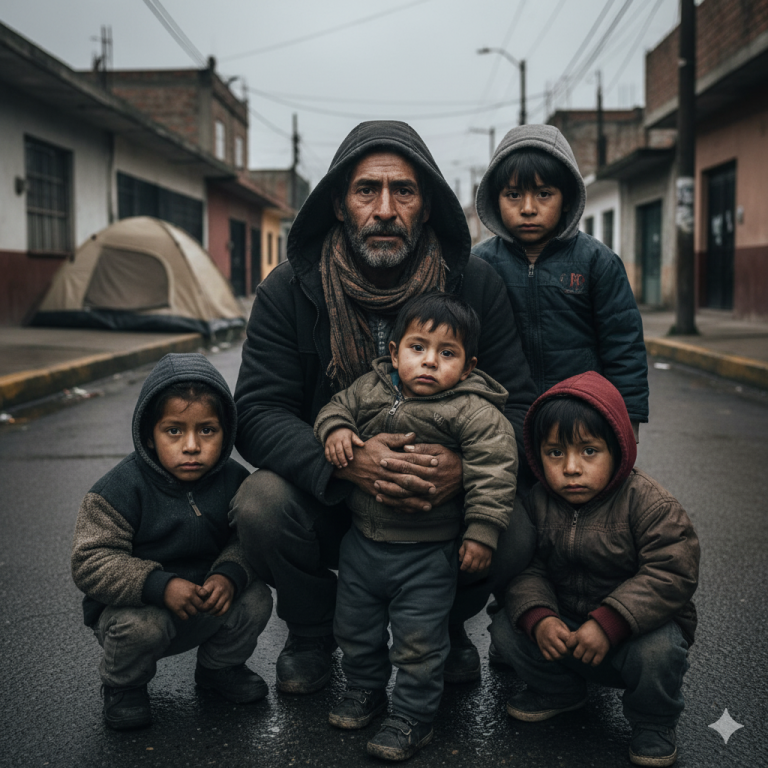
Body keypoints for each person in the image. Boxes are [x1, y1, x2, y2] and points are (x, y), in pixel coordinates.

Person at [231, 120, 538, 695]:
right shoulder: (287, 290)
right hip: (333, 494)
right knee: (259, 504)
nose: (385, 208)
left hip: (438, 501)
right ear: (341, 205)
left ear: (427, 208)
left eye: (405, 191)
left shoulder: (476, 285)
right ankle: (313, 632)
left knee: (515, 526)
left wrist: (462, 471)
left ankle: (443, 628)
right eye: (366, 190)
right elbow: (256, 410)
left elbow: (519, 405)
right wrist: (345, 462)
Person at [315, 293, 517, 760]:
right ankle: (365, 689)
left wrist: (482, 530)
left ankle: (412, 717)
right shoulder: (369, 388)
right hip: (362, 545)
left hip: (427, 555)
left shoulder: (473, 411)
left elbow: (495, 468)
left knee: (419, 644)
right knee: (355, 630)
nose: (429, 361)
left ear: (467, 368)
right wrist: (337, 432)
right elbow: (333, 407)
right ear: (393, 353)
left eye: (447, 353)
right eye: (417, 347)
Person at [489, 371, 699, 767]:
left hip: (632, 634)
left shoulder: (649, 503)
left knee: (660, 651)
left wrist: (610, 622)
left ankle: (653, 721)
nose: (571, 468)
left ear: (617, 449)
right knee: (506, 627)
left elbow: (672, 572)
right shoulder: (538, 501)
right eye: (555, 453)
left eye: (589, 451)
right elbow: (527, 568)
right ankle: (561, 691)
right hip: (567, 627)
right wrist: (540, 618)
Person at [71, 353, 273, 730]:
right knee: (142, 627)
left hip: (205, 602)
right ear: (150, 434)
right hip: (137, 612)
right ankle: (124, 687)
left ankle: (219, 669)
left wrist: (230, 574)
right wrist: (157, 585)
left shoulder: (233, 481)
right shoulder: (118, 490)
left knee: (256, 597)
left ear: (226, 432)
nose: (192, 446)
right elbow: (91, 560)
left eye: (207, 431)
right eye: (174, 431)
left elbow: (247, 539)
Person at [472, 124, 648, 441]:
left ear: (566, 199)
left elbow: (624, 346)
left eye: (543, 194)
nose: (527, 208)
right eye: (513, 195)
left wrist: (629, 420)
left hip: (580, 416)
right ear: (495, 199)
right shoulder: (479, 265)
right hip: (501, 419)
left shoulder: (598, 262)